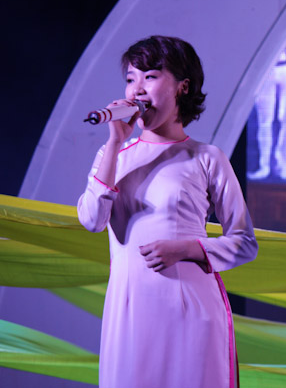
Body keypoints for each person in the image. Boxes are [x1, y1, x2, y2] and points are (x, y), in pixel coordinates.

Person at [77, 35, 258, 388]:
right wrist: (115, 142)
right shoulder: (112, 156)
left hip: (190, 308)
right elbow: (91, 220)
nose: (137, 89)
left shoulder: (207, 158)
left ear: (182, 87)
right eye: (131, 78)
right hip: (129, 310)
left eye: (150, 76)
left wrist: (187, 249)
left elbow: (245, 242)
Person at [248, 20, 286, 180]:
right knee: (265, 119)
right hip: (266, 71)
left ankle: (284, 166)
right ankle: (264, 166)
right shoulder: (262, 15)